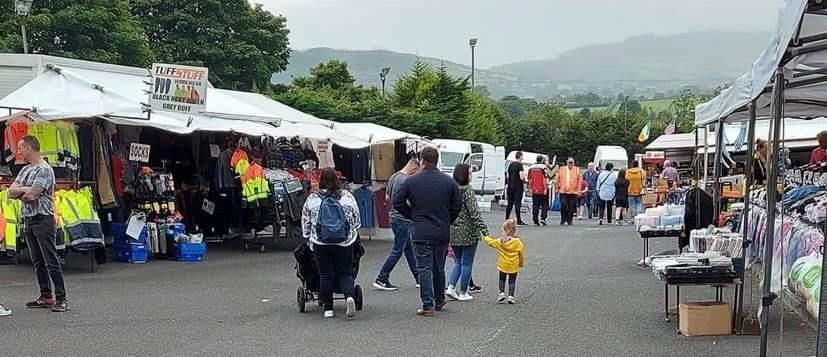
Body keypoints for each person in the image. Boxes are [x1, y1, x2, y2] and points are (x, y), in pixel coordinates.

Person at [393, 146, 462, 317]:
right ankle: (439, 299)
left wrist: (412, 215)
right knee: (439, 267)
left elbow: (397, 201)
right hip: (441, 230)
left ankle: (427, 305)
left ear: (422, 160)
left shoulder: (411, 181)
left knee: (424, 267)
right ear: (437, 160)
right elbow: (457, 205)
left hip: (421, 230)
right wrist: (448, 219)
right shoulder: (449, 182)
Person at [8, 136, 67, 312]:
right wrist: (26, 189)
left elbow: (31, 196)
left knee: (50, 260)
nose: (18, 152)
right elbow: (10, 192)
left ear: (29, 149)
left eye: (20, 148)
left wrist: (24, 190)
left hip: (43, 219)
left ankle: (62, 298)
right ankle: (46, 295)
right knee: (37, 261)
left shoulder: (44, 170)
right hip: (28, 219)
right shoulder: (25, 170)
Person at [300, 167, 361, 318]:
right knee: (346, 273)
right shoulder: (347, 197)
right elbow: (357, 221)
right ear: (337, 180)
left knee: (325, 274)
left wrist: (308, 238)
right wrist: (351, 235)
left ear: (321, 180)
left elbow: (305, 222)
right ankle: (349, 297)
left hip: (320, 243)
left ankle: (328, 309)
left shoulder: (313, 199)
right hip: (344, 243)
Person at [374, 159, 421, 291]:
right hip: (402, 218)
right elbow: (403, 200)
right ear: (413, 168)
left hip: (395, 217)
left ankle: (418, 278)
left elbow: (387, 198)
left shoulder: (394, 177)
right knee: (398, 250)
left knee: (408, 249)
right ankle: (382, 278)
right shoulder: (404, 180)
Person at [446, 163, 490, 302]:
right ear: (464, 175)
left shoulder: (450, 190)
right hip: (468, 232)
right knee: (467, 263)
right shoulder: (468, 191)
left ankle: (451, 287)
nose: (471, 176)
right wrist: (485, 231)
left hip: (453, 230)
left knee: (457, 261)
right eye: (470, 173)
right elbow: (474, 214)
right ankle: (463, 292)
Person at [482, 219, 525, 304]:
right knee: (512, 281)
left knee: (502, 278)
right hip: (513, 264)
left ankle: (501, 293)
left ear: (507, 231)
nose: (501, 233)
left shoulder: (500, 242)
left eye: (502, 231)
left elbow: (491, 242)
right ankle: (511, 296)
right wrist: (521, 263)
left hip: (503, 264)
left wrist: (486, 236)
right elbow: (521, 254)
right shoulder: (518, 242)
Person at [556, 157, 581, 225]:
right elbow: (557, 179)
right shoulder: (562, 169)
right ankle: (563, 219)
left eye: (572, 162)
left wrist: (578, 190)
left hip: (573, 191)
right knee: (563, 205)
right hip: (563, 191)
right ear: (567, 162)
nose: (571, 164)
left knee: (571, 206)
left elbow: (580, 181)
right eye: (569, 162)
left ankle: (570, 220)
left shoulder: (577, 169)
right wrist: (557, 188)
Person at [505, 152, 527, 226]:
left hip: (510, 186)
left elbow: (508, 176)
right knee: (518, 203)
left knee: (510, 204)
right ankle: (519, 220)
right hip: (518, 187)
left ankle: (507, 218)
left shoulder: (511, 165)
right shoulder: (520, 165)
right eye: (522, 156)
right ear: (520, 156)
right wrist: (524, 180)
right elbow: (521, 177)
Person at [526, 155, 549, 226]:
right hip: (542, 189)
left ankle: (535, 219)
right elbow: (544, 179)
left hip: (534, 189)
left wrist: (530, 188)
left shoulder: (531, 168)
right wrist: (545, 188)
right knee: (545, 204)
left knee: (535, 205)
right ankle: (543, 218)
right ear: (542, 160)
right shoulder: (543, 168)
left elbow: (529, 179)